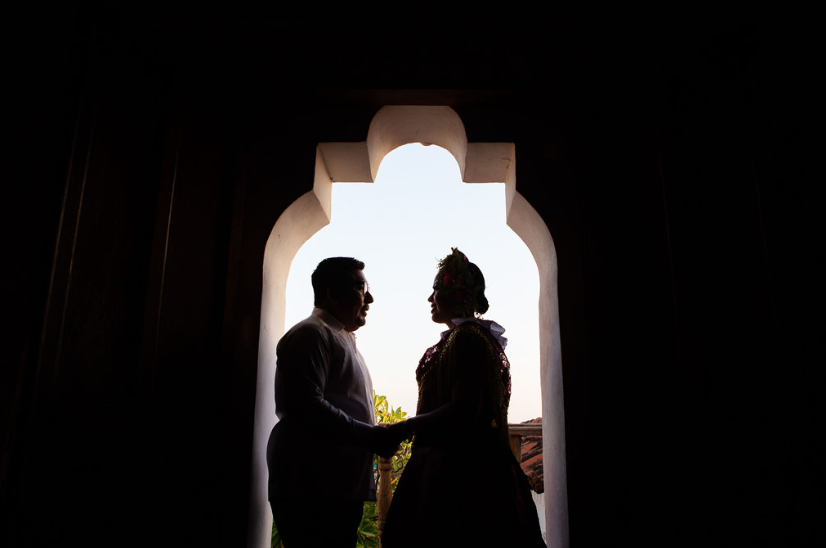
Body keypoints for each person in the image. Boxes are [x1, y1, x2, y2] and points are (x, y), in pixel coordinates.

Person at [381, 248, 546, 548]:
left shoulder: (468, 339)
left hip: (460, 472)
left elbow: (465, 410)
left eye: (436, 291)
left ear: (457, 294)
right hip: (462, 464)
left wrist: (405, 426)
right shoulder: (469, 339)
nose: (430, 299)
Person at [266, 257, 398, 548]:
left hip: (334, 485)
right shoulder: (311, 334)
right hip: (313, 486)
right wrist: (371, 436)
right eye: (360, 287)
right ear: (331, 292)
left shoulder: (340, 338)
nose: (370, 298)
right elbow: (307, 407)